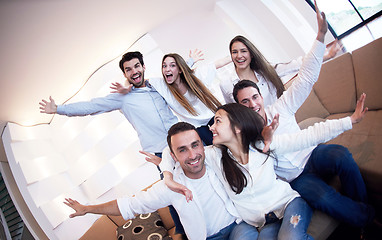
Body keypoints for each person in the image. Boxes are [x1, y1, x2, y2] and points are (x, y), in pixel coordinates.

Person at [160, 100, 366, 239]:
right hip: (263, 224)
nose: (211, 127)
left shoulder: (262, 145)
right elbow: (171, 150)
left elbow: (307, 136)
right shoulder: (213, 156)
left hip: (289, 205)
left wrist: (350, 121)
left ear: (237, 127)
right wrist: (167, 177)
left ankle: (367, 219)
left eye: (217, 121)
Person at [63, 122, 259, 240]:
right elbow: (129, 205)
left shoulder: (215, 155)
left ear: (202, 144)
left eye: (195, 145)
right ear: (173, 156)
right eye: (182, 150)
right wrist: (88, 208)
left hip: (238, 225)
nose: (193, 155)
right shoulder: (169, 187)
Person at [218, 5, 341, 105]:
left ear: (251, 54)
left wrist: (326, 56)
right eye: (234, 52)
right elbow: (235, 113)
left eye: (243, 51)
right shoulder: (226, 84)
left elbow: (296, 64)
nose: (239, 56)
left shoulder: (266, 70)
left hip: (280, 120)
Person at [111, 52, 229, 145]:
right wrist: (126, 88)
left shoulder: (196, 76)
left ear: (180, 69)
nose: (167, 69)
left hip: (217, 118)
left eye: (172, 65)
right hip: (201, 129)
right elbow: (137, 79)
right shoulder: (161, 85)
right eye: (164, 66)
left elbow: (221, 62)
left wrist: (242, 53)